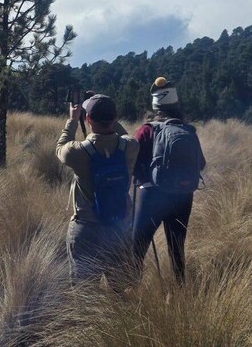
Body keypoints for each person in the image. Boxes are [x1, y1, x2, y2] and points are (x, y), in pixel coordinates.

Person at [56, 94, 139, 288]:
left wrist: (73, 119)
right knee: (120, 289)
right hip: (119, 228)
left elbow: (60, 148)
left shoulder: (77, 152)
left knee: (86, 292)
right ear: (114, 118)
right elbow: (124, 136)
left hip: (87, 228)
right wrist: (107, 112)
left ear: (88, 119)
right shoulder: (131, 146)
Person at [132, 77, 206, 284]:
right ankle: (179, 289)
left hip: (151, 196)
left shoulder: (147, 130)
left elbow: (132, 163)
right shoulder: (188, 131)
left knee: (137, 247)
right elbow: (201, 164)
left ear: (155, 105)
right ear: (176, 104)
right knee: (177, 248)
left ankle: (131, 290)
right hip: (183, 197)